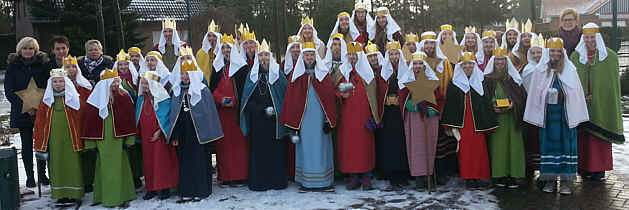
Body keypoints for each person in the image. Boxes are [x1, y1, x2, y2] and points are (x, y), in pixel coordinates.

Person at [524, 37, 588, 195]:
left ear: (562, 52)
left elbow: (575, 93)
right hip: (548, 117)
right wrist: (546, 94)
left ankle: (566, 182)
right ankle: (550, 180)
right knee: (549, 148)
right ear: (548, 52)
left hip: (566, 117)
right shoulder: (540, 70)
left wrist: (563, 95)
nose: (555, 54)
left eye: (558, 51)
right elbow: (535, 93)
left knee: (567, 148)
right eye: (552, 51)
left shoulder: (570, 70)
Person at [280, 42, 338, 193]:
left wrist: (327, 120)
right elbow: (291, 100)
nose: (310, 57)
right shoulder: (296, 75)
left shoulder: (323, 75)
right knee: (305, 149)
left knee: (322, 149)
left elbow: (329, 99)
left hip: (320, 121)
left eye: (312, 55)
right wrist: (293, 124)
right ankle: (306, 182)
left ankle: (325, 182)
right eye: (306, 55)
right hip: (304, 122)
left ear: (316, 57)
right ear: (302, 57)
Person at [571, 23, 624, 181]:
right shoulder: (576, 56)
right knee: (583, 138)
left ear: (597, 37)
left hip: (602, 104)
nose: (589, 40)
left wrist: (601, 96)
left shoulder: (610, 56)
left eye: (592, 37)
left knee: (599, 139)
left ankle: (599, 169)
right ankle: (583, 167)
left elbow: (612, 85)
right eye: (586, 37)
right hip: (582, 104)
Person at [169, 58, 224, 203]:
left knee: (199, 162)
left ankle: (201, 189)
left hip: (199, 134)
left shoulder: (203, 90)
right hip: (183, 134)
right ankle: (187, 189)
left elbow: (209, 114)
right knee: (185, 162)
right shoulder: (176, 91)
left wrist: (207, 133)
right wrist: (174, 134)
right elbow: (174, 115)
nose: (184, 77)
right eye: (182, 74)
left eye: (187, 74)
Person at [81, 68, 137, 208]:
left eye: (117, 81)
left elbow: (129, 120)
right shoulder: (95, 100)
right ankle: (110, 198)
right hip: (103, 140)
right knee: (106, 168)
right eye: (113, 82)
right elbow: (89, 123)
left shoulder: (123, 97)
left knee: (120, 166)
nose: (116, 84)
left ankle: (123, 194)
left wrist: (129, 140)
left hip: (119, 140)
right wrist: (90, 144)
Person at [441, 52, 497, 190]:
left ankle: (479, 176)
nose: (467, 66)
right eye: (465, 64)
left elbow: (486, 103)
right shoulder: (454, 84)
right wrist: (450, 125)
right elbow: (451, 106)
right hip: (463, 124)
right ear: (460, 66)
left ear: (474, 66)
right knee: (465, 152)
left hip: (478, 124)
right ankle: (468, 178)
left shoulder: (480, 82)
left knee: (480, 151)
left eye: (470, 64)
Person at [239, 39, 289, 191]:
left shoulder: (278, 75)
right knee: (259, 152)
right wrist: (260, 109)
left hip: (275, 122)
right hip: (258, 122)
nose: (263, 59)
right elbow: (247, 100)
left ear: (271, 57)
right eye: (261, 56)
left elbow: (285, 97)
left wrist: (276, 110)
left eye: (266, 55)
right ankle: (259, 182)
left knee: (276, 152)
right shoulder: (251, 76)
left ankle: (277, 181)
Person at [33, 68, 83, 207]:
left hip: (71, 139)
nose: (58, 84)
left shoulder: (73, 99)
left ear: (66, 83)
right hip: (54, 140)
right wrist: (40, 141)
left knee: (72, 164)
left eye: (61, 81)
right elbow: (40, 122)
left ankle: (74, 193)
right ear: (51, 84)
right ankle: (60, 194)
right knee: (56, 164)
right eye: (55, 81)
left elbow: (80, 119)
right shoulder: (46, 102)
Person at [5, 37, 51, 188]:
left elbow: (48, 85)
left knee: (42, 144)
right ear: (20, 50)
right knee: (26, 145)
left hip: (41, 110)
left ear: (35, 50)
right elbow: (9, 90)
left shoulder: (43, 65)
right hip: (22, 111)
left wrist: (38, 106)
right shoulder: (13, 66)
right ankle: (30, 176)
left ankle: (42, 174)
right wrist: (26, 105)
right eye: (25, 48)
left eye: (31, 48)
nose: (28, 51)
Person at [336, 42, 379, 190]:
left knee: (365, 146)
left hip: (364, 116)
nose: (353, 57)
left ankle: (366, 177)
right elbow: (334, 90)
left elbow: (374, 96)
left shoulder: (367, 73)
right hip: (348, 117)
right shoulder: (342, 72)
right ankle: (353, 177)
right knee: (350, 147)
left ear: (360, 56)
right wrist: (341, 94)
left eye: (355, 55)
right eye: (350, 55)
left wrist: (374, 116)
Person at [482, 46, 527, 188]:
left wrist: (514, 104)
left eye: (502, 61)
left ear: (507, 62)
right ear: (493, 63)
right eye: (497, 61)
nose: (500, 64)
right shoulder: (487, 79)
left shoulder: (513, 78)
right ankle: (499, 175)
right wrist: (491, 106)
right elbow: (483, 98)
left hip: (512, 118)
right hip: (497, 120)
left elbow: (522, 98)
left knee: (514, 146)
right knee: (498, 147)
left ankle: (514, 175)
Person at [210, 34, 250, 187]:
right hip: (222, 115)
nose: (226, 50)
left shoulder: (242, 68)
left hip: (237, 114)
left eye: (229, 47)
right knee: (224, 147)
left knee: (239, 146)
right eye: (224, 48)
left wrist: (234, 100)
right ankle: (226, 176)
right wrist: (220, 99)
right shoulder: (217, 68)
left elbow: (244, 90)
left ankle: (241, 175)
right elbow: (211, 88)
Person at [402, 51, 443, 191]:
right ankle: (419, 177)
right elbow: (402, 98)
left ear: (425, 66)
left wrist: (433, 109)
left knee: (430, 144)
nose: (418, 66)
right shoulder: (406, 79)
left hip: (430, 119)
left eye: (420, 63)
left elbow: (440, 98)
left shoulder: (432, 80)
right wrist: (410, 105)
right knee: (416, 146)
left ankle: (429, 174)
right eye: (415, 64)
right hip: (414, 119)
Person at [372, 41, 410, 191]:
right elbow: (378, 91)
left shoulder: (406, 69)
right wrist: (385, 100)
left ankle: (403, 172)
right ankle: (392, 173)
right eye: (391, 54)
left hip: (401, 113)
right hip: (387, 114)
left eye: (396, 54)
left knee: (402, 142)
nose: (394, 57)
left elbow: (409, 89)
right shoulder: (382, 71)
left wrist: (401, 100)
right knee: (389, 144)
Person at [136, 71, 179, 200]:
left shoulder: (163, 98)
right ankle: (151, 188)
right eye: (143, 83)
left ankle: (164, 187)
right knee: (149, 162)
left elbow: (167, 117)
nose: (144, 86)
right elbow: (137, 117)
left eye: (147, 83)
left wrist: (159, 131)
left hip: (159, 136)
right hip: (146, 136)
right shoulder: (141, 99)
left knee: (162, 162)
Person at [520, 33, 548, 174]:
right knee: (533, 138)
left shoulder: (549, 68)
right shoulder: (527, 69)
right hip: (531, 108)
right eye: (534, 53)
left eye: (539, 52)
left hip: (546, 108)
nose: (537, 55)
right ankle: (532, 166)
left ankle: (546, 169)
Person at [196, 20, 222, 86]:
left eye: (214, 36)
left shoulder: (222, 52)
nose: (211, 38)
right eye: (209, 36)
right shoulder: (200, 53)